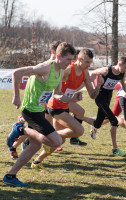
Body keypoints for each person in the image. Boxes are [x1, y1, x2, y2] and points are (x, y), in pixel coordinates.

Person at [4, 42, 77, 187]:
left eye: (72, 59)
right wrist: (16, 96)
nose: (71, 63)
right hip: (30, 110)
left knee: (35, 146)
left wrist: (72, 98)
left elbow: (57, 95)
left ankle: (10, 176)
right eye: (68, 59)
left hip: (38, 110)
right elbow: (16, 73)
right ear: (58, 56)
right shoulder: (45, 68)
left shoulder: (60, 71)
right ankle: (21, 129)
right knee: (56, 142)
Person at [31, 49, 104, 171]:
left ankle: (37, 161)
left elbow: (92, 95)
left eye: (90, 63)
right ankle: (47, 135)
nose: (89, 65)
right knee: (79, 131)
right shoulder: (68, 70)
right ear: (79, 59)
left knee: (60, 141)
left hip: (65, 105)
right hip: (55, 106)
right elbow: (55, 92)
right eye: (87, 62)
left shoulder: (85, 72)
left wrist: (98, 86)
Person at [89, 57, 126, 156]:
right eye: (125, 67)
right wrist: (94, 87)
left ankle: (82, 118)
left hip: (108, 97)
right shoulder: (106, 70)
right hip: (100, 96)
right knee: (114, 121)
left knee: (98, 123)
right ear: (120, 63)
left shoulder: (122, 73)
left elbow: (123, 85)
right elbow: (92, 73)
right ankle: (115, 149)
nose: (125, 70)